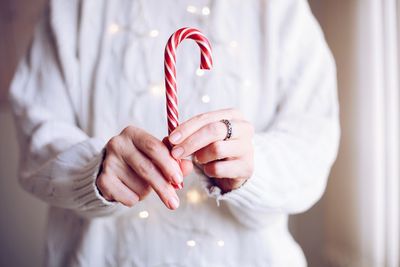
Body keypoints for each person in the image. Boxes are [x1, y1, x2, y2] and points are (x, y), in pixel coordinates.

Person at [9, 0, 340, 266]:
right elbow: (37, 129)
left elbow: (313, 141)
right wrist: (94, 169)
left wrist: (252, 164)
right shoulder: (75, 7)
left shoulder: (279, 9)